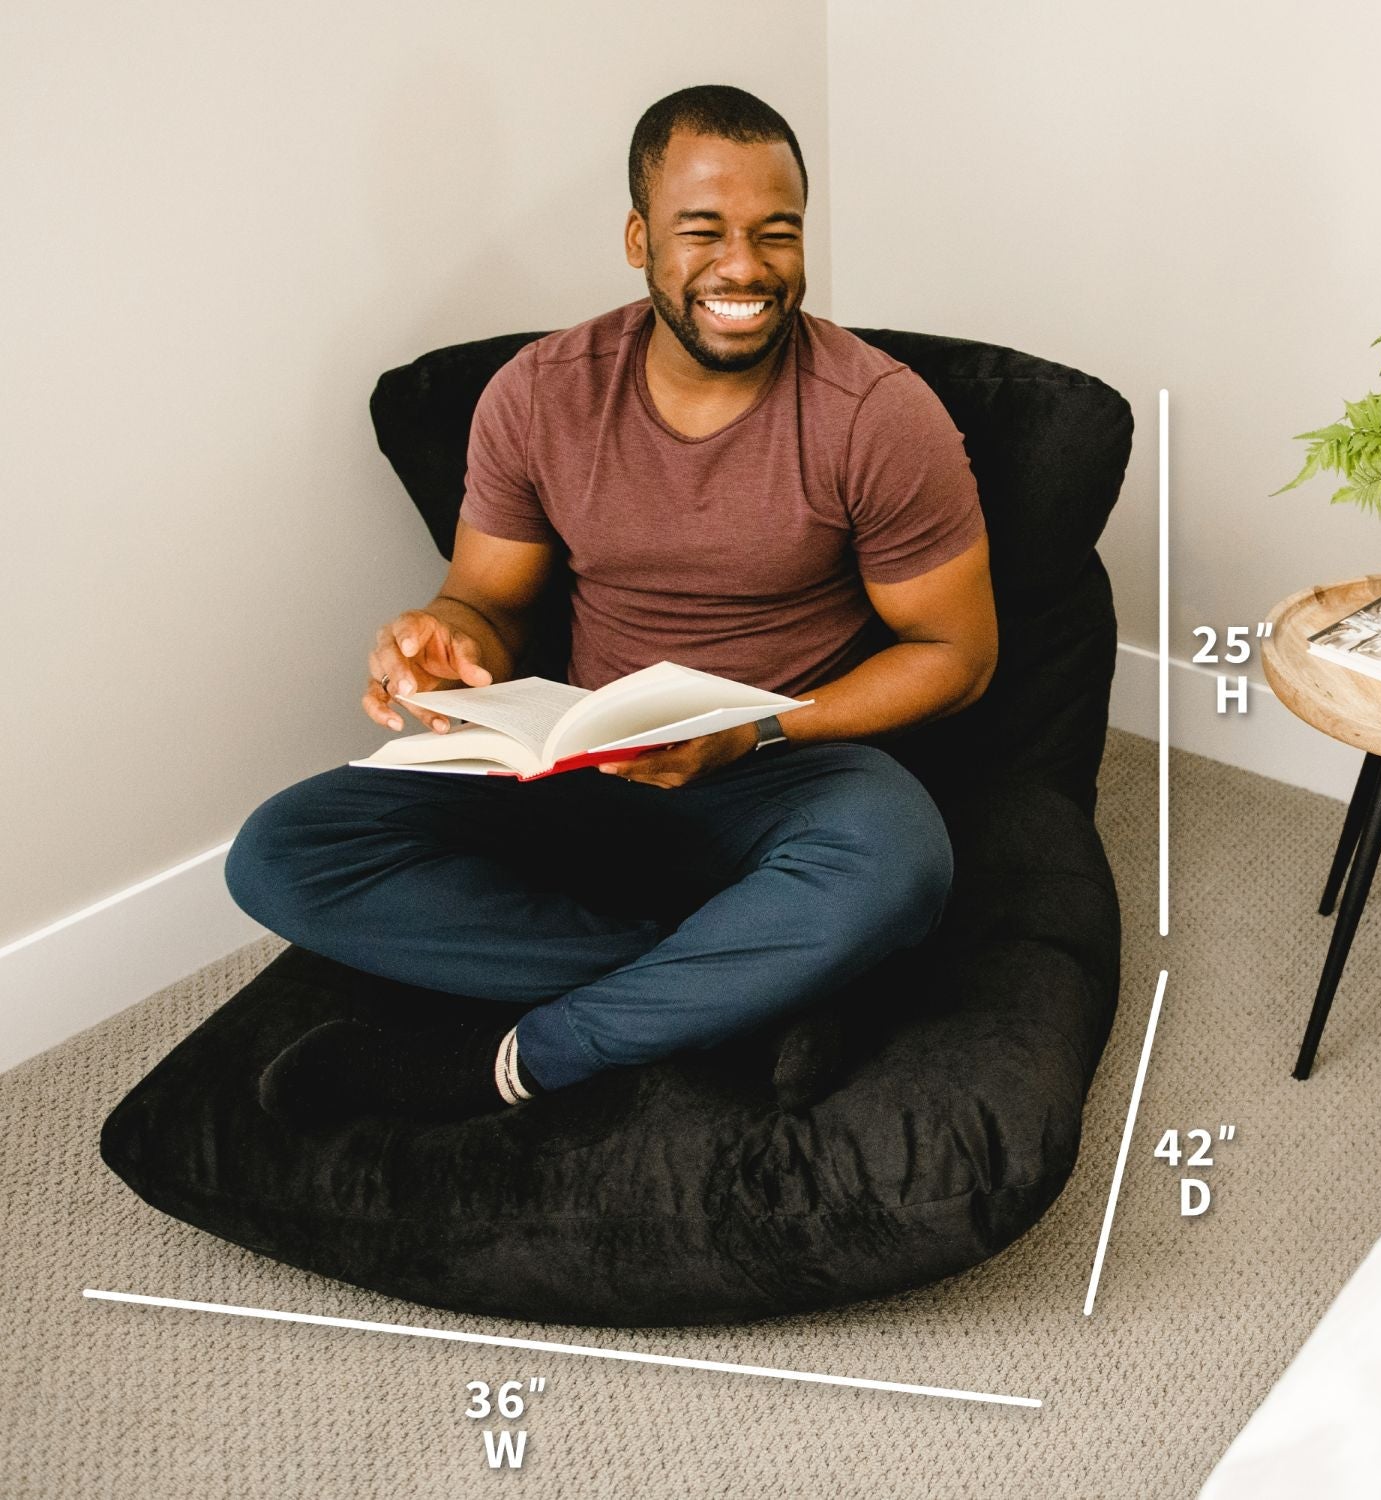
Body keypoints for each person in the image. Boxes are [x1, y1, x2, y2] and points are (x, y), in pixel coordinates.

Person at [225, 84, 996, 1125]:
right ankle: (745, 980)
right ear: (640, 239)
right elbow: (485, 602)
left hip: (780, 767)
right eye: (703, 231)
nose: (744, 267)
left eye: (776, 232)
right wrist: (445, 636)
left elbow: (956, 654)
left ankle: (521, 1059)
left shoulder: (878, 415)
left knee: (899, 859)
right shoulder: (540, 393)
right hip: (585, 761)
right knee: (282, 851)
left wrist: (751, 732)